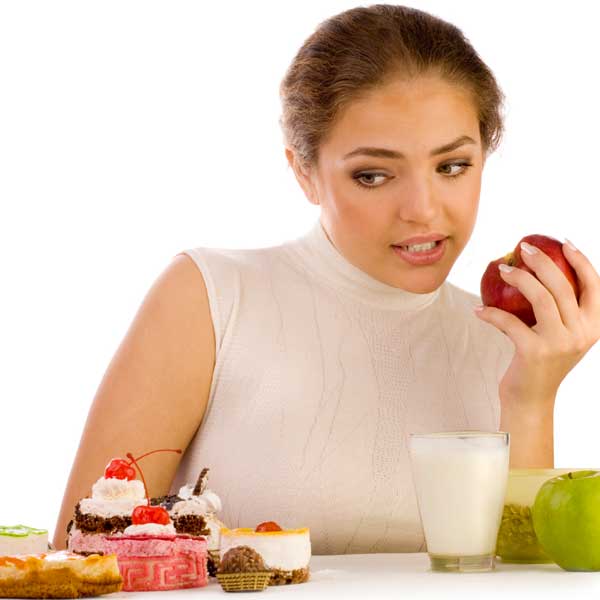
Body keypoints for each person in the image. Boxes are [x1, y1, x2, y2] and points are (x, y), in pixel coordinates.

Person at [54, 4, 600, 555]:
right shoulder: (211, 300)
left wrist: (532, 396)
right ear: (304, 172)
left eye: (452, 166)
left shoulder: (510, 339)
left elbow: (519, 579)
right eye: (373, 174)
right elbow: (81, 560)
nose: (423, 210)